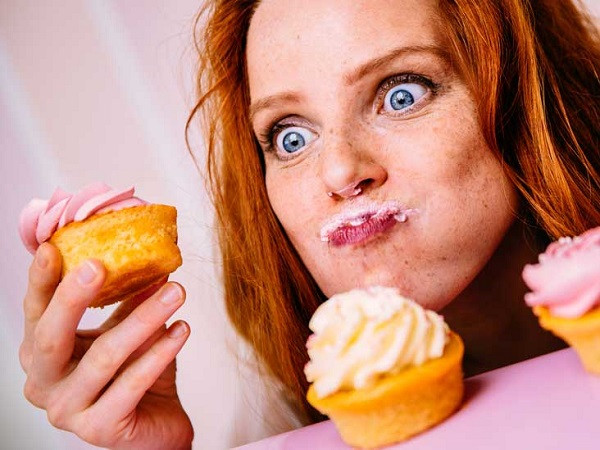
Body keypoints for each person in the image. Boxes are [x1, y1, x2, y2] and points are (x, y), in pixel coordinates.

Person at [18, 0, 600, 448]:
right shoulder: (283, 414)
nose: (341, 172)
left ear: (526, 97)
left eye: (401, 94)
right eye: (291, 137)